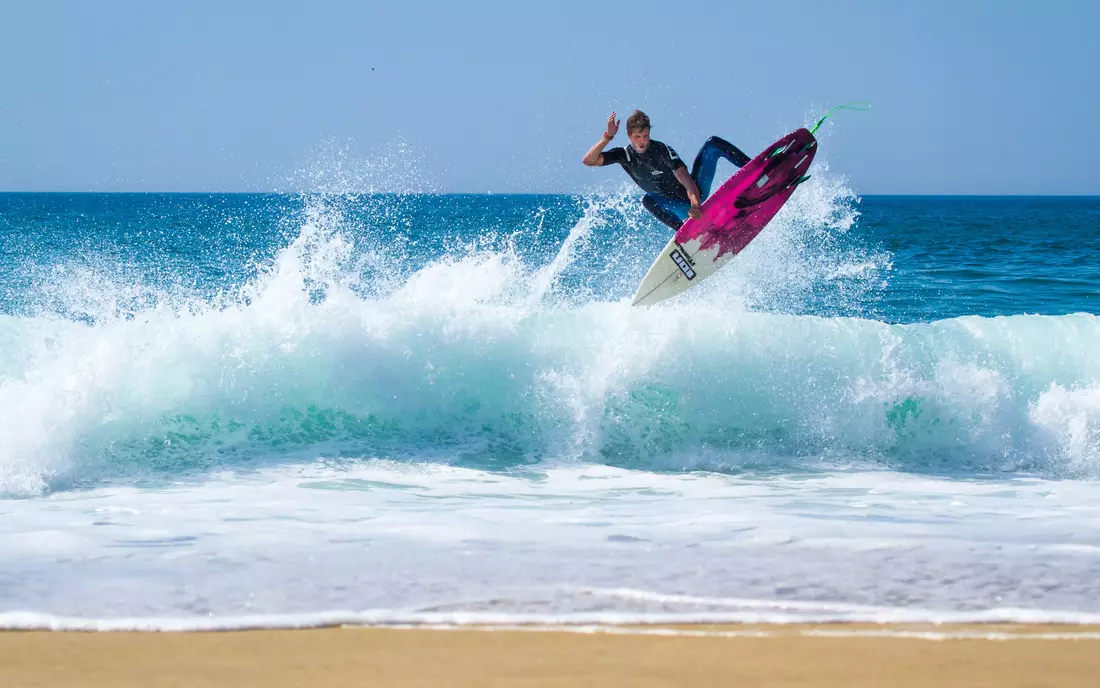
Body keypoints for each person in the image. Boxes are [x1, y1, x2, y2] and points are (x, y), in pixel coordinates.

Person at [581, 110, 751, 230]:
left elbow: (685, 178)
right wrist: (607, 137)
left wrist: (696, 205)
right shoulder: (623, 155)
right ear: (629, 136)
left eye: (645, 135)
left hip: (694, 193)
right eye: (637, 137)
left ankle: (757, 167)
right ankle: (684, 233)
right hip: (676, 206)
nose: (643, 141)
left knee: (713, 144)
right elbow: (588, 161)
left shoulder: (661, 150)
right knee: (648, 201)